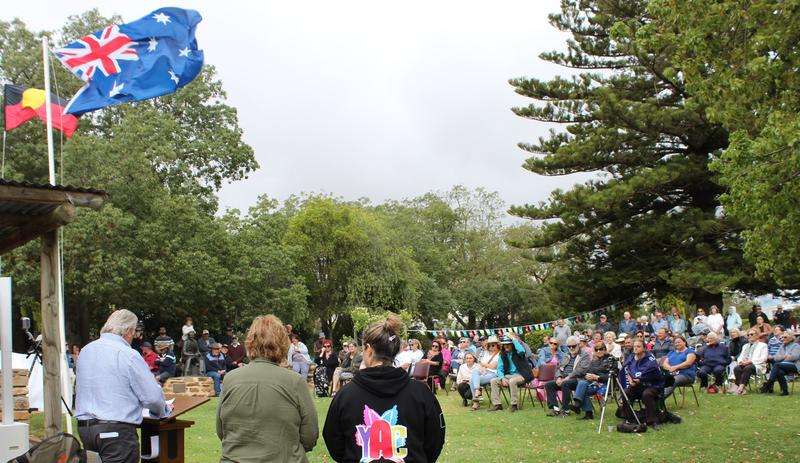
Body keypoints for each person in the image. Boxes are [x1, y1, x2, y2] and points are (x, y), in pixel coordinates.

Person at [323, 315, 444, 463]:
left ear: (368, 350)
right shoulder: (421, 393)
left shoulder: (345, 395)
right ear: (396, 350)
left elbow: (333, 439)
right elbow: (435, 438)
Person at [217, 315, 318, 462]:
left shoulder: (230, 379)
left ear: (250, 343)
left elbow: (221, 431)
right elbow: (310, 435)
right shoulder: (295, 382)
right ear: (283, 343)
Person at [76, 309, 171, 463]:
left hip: (86, 429)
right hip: (115, 432)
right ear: (127, 331)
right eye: (134, 332)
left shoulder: (86, 350)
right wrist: (163, 410)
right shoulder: (128, 354)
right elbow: (152, 397)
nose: (134, 337)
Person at [620, 339, 664, 427]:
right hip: (638, 384)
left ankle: (651, 420)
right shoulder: (631, 357)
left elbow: (652, 374)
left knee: (646, 394)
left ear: (644, 348)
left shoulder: (650, 359)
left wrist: (639, 380)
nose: (635, 348)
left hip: (653, 385)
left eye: (638, 346)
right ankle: (629, 418)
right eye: (634, 347)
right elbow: (626, 369)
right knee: (626, 392)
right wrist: (631, 380)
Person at [544, 336, 590, 416]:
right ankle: (555, 409)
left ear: (578, 344)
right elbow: (559, 368)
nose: (571, 348)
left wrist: (567, 378)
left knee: (566, 383)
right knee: (549, 385)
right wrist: (559, 377)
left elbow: (581, 370)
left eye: (573, 346)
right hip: (564, 378)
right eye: (569, 346)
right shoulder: (566, 355)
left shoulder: (584, 355)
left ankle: (566, 410)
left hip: (577, 379)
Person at [489, 333, 533, 412]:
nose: (506, 346)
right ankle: (497, 405)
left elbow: (522, 351)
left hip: (522, 375)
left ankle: (514, 405)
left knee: (512, 381)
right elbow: (499, 369)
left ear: (512, 344)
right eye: (504, 344)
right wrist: (502, 378)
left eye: (508, 344)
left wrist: (513, 339)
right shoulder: (502, 355)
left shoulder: (519, 352)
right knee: (494, 381)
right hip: (509, 376)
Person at [570, 341, 614, 419]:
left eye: (601, 349)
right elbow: (587, 372)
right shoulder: (594, 361)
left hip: (605, 384)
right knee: (582, 383)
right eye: (596, 350)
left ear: (605, 349)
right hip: (593, 383)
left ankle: (582, 409)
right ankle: (581, 408)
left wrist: (597, 378)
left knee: (583, 388)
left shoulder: (611, 359)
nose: (598, 351)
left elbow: (612, 376)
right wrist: (588, 376)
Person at [760, 331, 800, 395]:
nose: (783, 338)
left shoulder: (796, 346)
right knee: (779, 371)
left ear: (791, 337)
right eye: (782, 337)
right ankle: (785, 391)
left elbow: (794, 357)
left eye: (785, 337)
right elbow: (776, 358)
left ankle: (769, 383)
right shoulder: (782, 346)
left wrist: (783, 359)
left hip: (794, 366)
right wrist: (785, 356)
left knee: (777, 365)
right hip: (782, 365)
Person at [730, 329, 767, 395]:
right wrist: (741, 361)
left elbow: (763, 358)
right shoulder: (745, 346)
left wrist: (750, 361)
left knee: (748, 368)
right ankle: (743, 389)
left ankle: (741, 387)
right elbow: (740, 357)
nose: (749, 336)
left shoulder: (763, 345)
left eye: (751, 334)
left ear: (757, 335)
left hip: (757, 365)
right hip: (745, 364)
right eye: (748, 335)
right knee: (737, 368)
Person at [470, 336, 500, 410]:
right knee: (475, 372)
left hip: (494, 374)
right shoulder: (486, 353)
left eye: (493, 345)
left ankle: (476, 402)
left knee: (472, 380)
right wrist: (482, 368)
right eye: (489, 345)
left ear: (497, 345)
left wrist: (483, 365)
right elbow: (481, 364)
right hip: (485, 372)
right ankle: (477, 391)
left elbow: (493, 367)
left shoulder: (500, 354)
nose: (491, 347)